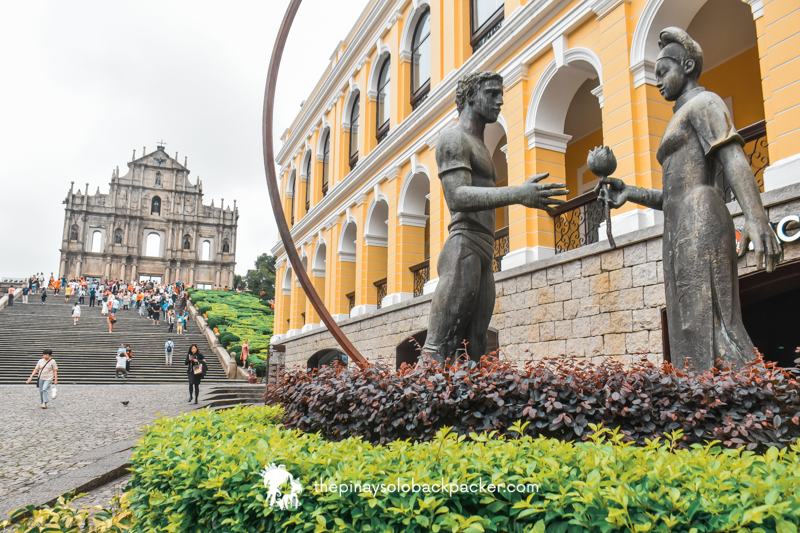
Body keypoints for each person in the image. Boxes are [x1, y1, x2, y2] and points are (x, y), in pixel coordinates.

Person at [595, 28, 782, 372]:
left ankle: (756, 401)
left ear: (688, 64)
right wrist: (629, 192)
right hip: (680, 223)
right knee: (688, 323)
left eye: (664, 72)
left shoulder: (704, 103)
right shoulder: (680, 115)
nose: (659, 82)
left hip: (701, 216)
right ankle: (701, 403)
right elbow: (672, 196)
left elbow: (734, 158)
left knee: (712, 320)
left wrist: (757, 218)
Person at [422, 70, 568, 365]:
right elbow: (457, 197)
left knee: (477, 350)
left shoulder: (481, 148)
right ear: (470, 96)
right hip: (464, 245)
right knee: (438, 348)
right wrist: (518, 194)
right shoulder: (453, 138)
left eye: (500, 93)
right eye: (491, 93)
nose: (500, 100)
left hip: (485, 250)